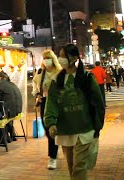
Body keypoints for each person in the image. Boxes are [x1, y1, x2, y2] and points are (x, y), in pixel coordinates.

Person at [44, 44, 105, 179]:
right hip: (65, 130)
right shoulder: (56, 81)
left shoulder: (87, 78)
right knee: (72, 167)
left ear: (74, 58)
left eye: (63, 56)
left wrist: (98, 125)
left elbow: (98, 103)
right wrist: (51, 122)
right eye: (59, 56)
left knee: (79, 167)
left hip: (85, 129)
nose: (60, 59)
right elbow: (51, 103)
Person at [32, 49, 62, 170]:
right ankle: (55, 148)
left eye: (48, 58)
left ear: (53, 59)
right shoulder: (40, 71)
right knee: (47, 129)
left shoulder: (59, 72)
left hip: (56, 103)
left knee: (52, 130)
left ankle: (52, 157)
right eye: (44, 58)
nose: (46, 60)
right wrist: (37, 94)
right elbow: (35, 84)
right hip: (44, 102)